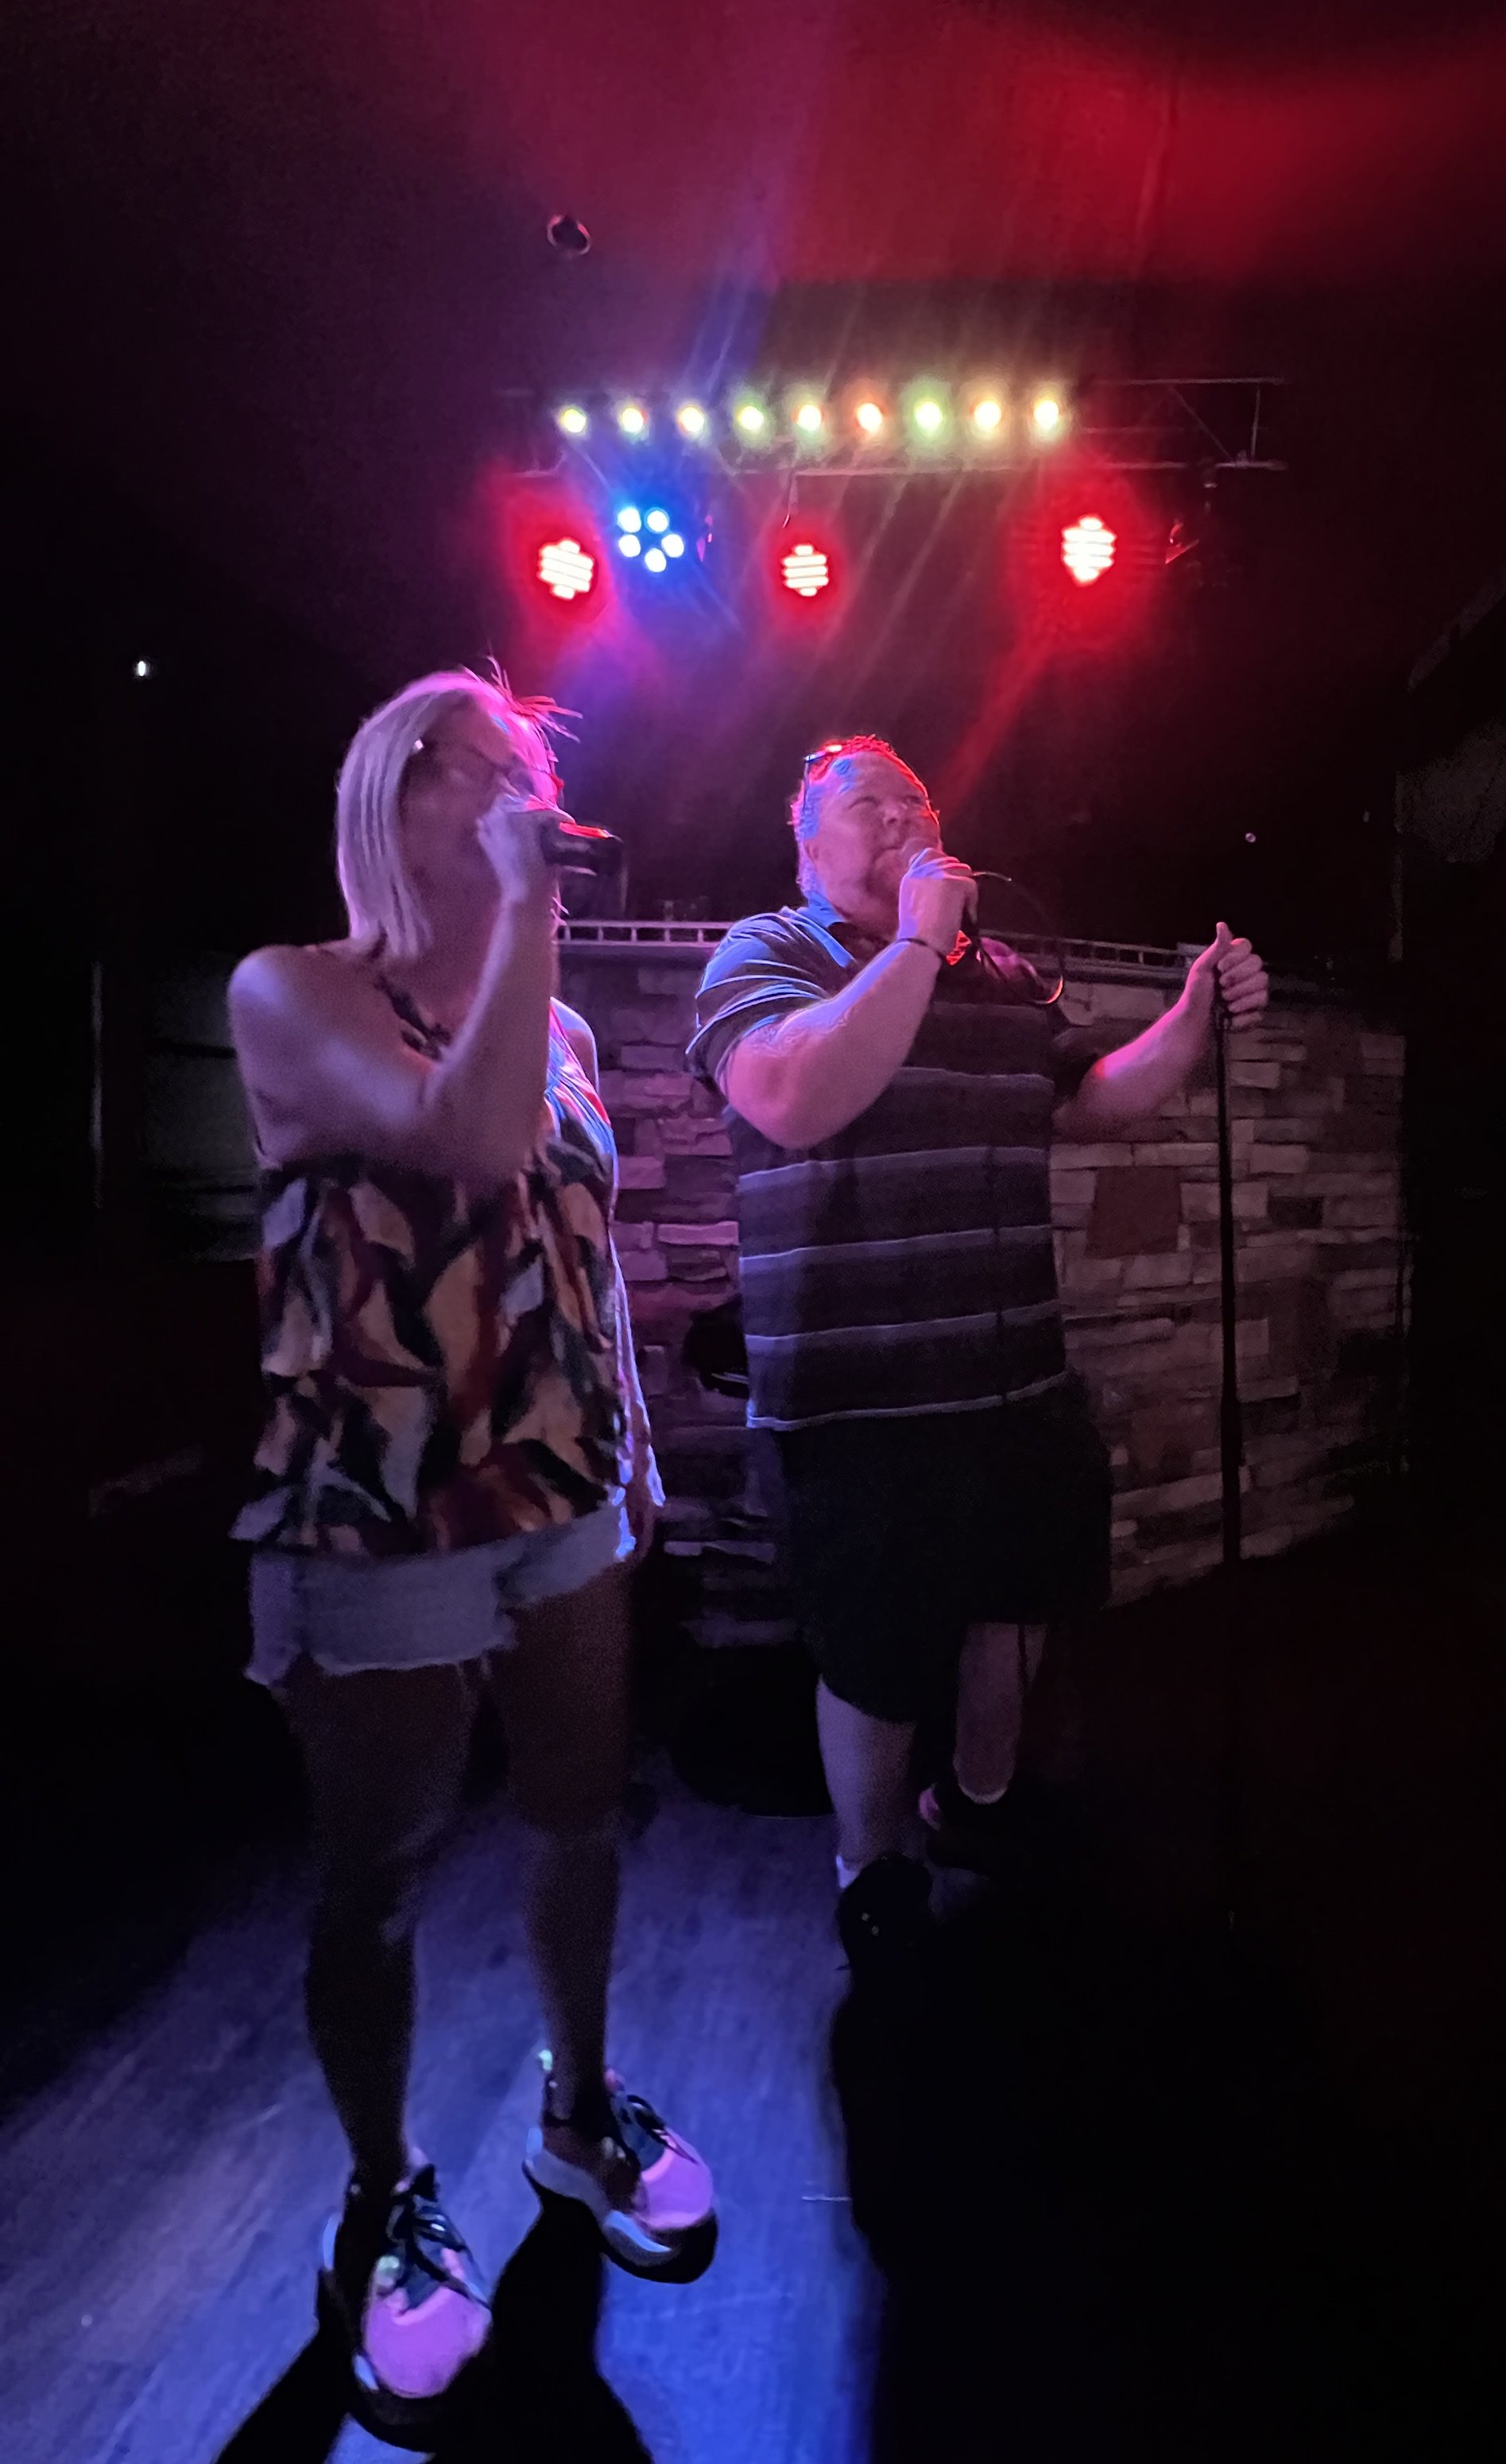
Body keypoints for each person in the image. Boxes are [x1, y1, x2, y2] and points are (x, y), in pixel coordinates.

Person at [228, 667, 715, 2443]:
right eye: (484, 765)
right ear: (394, 787)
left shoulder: (557, 1022)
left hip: (559, 1493)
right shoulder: (289, 991)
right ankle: (383, 2192)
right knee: (377, 1876)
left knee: (582, 1810)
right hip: (379, 1499)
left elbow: (574, 1267)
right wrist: (523, 912)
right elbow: (460, 1139)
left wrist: (629, 1460)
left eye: (533, 773)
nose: (521, 793)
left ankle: (578, 2107)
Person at [687, 735, 1269, 1968]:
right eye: (866, 801)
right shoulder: (766, 952)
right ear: (804, 840)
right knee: (877, 1655)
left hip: (1015, 1379)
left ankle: (980, 1807)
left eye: (917, 799)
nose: (900, 815)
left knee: (1015, 1611)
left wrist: (1192, 1013)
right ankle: (873, 1864)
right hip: (857, 1401)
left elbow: (1094, 1094)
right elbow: (789, 1097)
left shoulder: (995, 968)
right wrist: (908, 945)